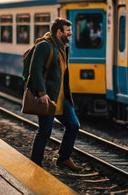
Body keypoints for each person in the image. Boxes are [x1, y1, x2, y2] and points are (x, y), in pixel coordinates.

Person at [28, 17, 83, 171]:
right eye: (68, 31)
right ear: (59, 32)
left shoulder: (64, 48)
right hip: (48, 97)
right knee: (45, 132)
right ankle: (36, 163)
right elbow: (35, 70)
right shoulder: (44, 46)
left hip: (61, 96)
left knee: (73, 125)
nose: (70, 34)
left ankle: (64, 158)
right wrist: (41, 93)